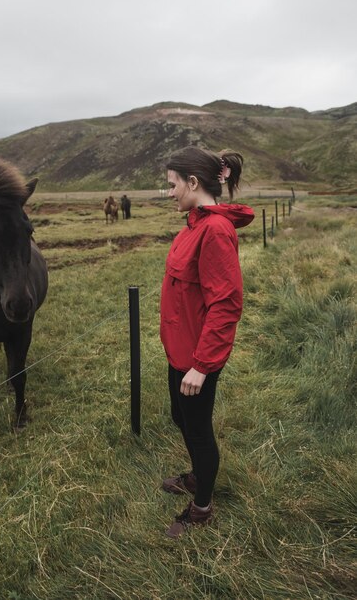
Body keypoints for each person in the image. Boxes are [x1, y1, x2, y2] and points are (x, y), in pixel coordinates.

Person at [160, 146, 254, 539]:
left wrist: (201, 365)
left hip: (197, 358)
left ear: (193, 183)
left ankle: (201, 507)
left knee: (198, 430)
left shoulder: (215, 231)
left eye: (173, 185)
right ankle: (199, 474)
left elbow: (226, 304)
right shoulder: (195, 224)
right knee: (180, 417)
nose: (170, 193)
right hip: (179, 350)